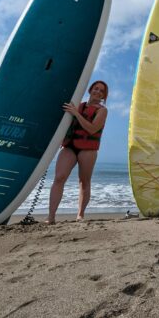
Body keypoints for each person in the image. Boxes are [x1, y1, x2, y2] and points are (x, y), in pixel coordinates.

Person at [47, 80, 108, 224]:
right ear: (90, 90)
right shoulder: (77, 105)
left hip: (88, 149)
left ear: (104, 96)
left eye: (101, 91)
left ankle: (80, 215)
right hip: (70, 146)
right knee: (59, 177)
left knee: (84, 181)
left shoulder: (102, 110)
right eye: (96, 88)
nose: (98, 92)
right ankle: (51, 216)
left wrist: (76, 113)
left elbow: (92, 129)